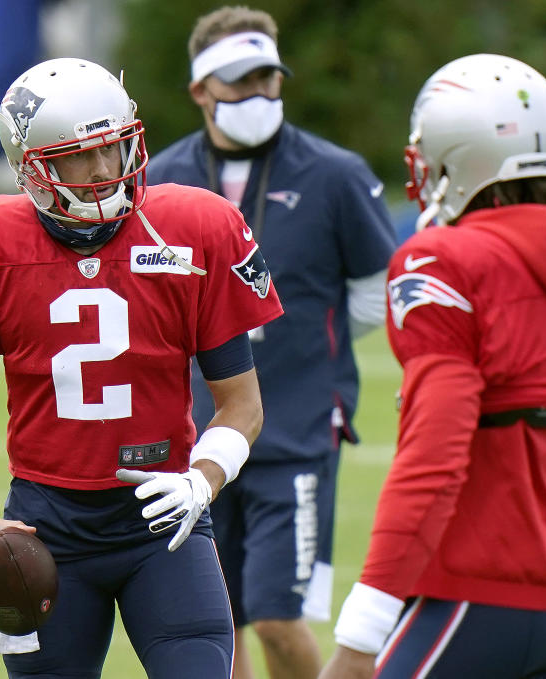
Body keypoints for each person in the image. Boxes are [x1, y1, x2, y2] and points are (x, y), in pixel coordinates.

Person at [0, 57, 283, 679]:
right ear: (30, 165)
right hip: (45, 524)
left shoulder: (197, 227)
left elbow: (241, 404)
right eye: (78, 157)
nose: (104, 171)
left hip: (164, 517)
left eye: (113, 148)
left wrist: (203, 479)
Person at [320, 54, 546, 679]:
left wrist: (363, 627)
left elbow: (433, 458)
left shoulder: (443, 261)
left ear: (458, 158)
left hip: (474, 596)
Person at [146, 7, 398, 679]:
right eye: (239, 81)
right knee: (214, 619)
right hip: (195, 433)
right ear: (200, 90)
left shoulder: (336, 174)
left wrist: (303, 343)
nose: (257, 95)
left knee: (279, 618)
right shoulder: (161, 180)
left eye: (267, 78)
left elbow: (377, 292)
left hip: (298, 425)